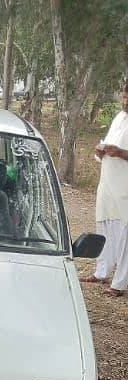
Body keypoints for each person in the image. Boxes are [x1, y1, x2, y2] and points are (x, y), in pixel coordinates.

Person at [81, 82, 128, 297]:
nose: (125, 102)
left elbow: (121, 151)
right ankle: (102, 272)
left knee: (125, 232)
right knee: (105, 225)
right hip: (108, 181)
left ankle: (120, 283)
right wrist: (101, 152)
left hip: (124, 186)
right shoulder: (119, 118)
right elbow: (109, 144)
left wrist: (121, 153)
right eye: (124, 98)